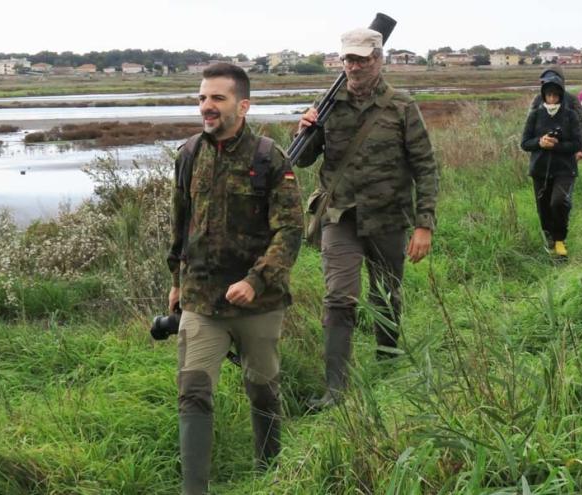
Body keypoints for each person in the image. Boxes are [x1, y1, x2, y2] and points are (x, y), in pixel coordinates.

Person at [167, 63, 303, 495]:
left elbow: (290, 231)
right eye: (202, 98)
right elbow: (180, 223)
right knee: (193, 392)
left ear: (242, 105)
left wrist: (257, 281)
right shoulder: (188, 154)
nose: (207, 106)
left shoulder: (268, 157)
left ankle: (270, 474)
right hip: (201, 302)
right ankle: (195, 490)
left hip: (257, 303)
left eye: (217, 98)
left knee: (262, 390)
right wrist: (175, 279)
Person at [295, 27, 439, 408]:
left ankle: (388, 364)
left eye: (361, 58)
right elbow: (304, 159)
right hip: (339, 215)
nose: (353, 66)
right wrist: (305, 128)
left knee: (386, 295)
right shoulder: (326, 104)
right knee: (339, 297)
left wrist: (424, 224)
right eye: (347, 59)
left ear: (379, 59)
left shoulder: (402, 106)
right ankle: (335, 391)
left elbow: (425, 166)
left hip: (388, 216)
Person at [521, 70, 582, 258]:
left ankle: (560, 239)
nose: (552, 98)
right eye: (549, 94)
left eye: (556, 95)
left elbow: (577, 144)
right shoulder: (535, 115)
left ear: (561, 96)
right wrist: (540, 142)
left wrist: (557, 145)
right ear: (544, 95)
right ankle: (548, 238)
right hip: (540, 170)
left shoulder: (570, 116)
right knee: (544, 207)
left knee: (559, 202)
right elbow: (524, 143)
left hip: (565, 169)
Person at [529, 68, 582, 162]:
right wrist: (537, 143)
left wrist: (581, 149)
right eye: (545, 81)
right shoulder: (537, 100)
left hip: (566, 153)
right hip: (542, 155)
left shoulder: (571, 99)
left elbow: (581, 125)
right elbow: (529, 129)